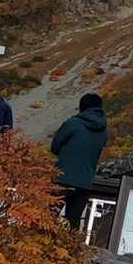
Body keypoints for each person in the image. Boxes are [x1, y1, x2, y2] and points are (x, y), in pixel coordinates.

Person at [49, 93, 108, 229]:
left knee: (47, 218)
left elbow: (55, 147)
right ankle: (70, 243)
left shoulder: (72, 123)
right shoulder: (104, 131)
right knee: (73, 224)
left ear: (82, 107)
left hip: (63, 179)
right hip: (85, 183)